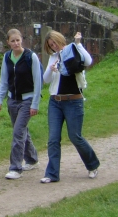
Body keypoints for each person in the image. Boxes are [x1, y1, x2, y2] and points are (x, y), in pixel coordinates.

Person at [40, 30, 100, 183]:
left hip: (73, 101)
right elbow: (45, 80)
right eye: (51, 45)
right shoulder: (54, 57)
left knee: (75, 136)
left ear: (60, 39)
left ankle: (92, 165)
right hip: (55, 101)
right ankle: (52, 173)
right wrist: (51, 69)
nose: (54, 47)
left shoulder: (72, 50)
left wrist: (79, 45)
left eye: (55, 43)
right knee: (53, 138)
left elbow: (87, 61)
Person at [0, 29, 42, 179]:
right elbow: (4, 79)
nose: (16, 43)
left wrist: (35, 104)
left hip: (27, 100)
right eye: (13, 41)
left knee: (17, 132)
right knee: (21, 131)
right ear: (8, 42)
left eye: (18, 40)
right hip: (12, 100)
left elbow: (38, 81)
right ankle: (32, 159)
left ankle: (15, 168)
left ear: (22, 40)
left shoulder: (30, 57)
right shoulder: (7, 57)